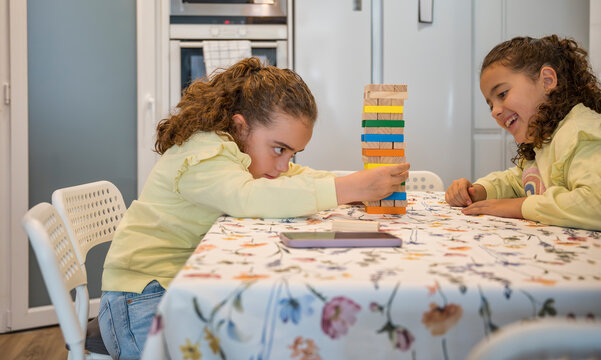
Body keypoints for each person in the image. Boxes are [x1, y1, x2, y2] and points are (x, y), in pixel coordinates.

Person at [98, 57, 410, 359]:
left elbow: (297, 177)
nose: (285, 165)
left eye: (292, 153)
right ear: (241, 127)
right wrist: (349, 188)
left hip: (176, 286)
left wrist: (353, 185)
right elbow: (247, 197)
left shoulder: (235, 152)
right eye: (279, 149)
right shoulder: (204, 152)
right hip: (141, 297)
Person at [445, 35, 601, 231]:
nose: (495, 111)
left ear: (547, 80)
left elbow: (596, 203)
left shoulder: (581, 131)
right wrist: (479, 191)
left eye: (502, 94)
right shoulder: (544, 140)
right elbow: (521, 181)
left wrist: (519, 206)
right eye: (490, 105)